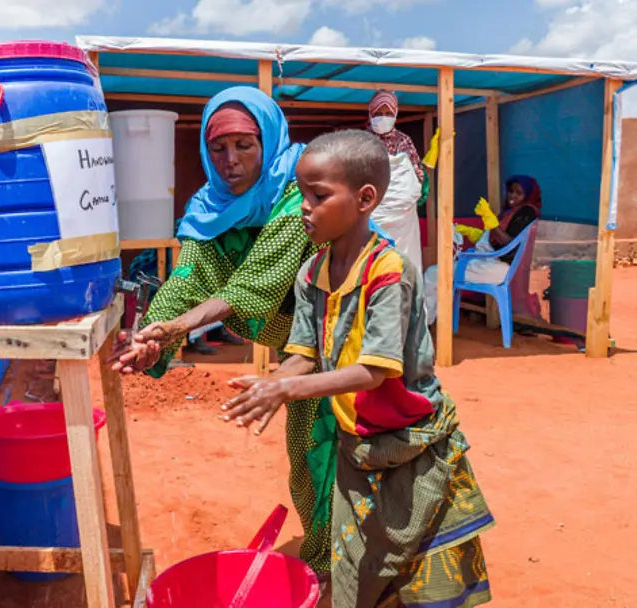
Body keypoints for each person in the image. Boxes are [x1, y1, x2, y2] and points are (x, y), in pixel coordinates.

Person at [221, 130, 494, 608]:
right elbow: (304, 353)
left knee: (428, 580)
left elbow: (375, 371)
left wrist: (284, 392)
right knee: (356, 572)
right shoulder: (312, 275)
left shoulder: (390, 271)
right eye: (301, 194)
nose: (304, 207)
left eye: (318, 195)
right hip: (359, 447)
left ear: (365, 198)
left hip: (415, 446)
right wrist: (272, 383)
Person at [109, 86, 335, 572]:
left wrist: (176, 328)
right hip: (301, 354)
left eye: (244, 146)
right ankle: (329, 564)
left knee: (361, 458)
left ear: (267, 140)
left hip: (351, 345)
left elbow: (256, 285)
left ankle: (368, 571)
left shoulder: (298, 195)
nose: (230, 161)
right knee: (311, 462)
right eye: (218, 148)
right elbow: (187, 278)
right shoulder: (210, 206)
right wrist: (150, 334)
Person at [423, 174, 543, 324]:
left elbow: (509, 244)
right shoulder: (514, 212)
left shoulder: (526, 213)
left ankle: (425, 323)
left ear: (528, 195)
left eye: (519, 193)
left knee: (432, 273)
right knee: (438, 274)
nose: (512, 196)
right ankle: (431, 320)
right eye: (511, 191)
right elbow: (496, 240)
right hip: (493, 265)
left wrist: (492, 223)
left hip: (496, 268)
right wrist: (473, 232)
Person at [367, 90, 426, 274]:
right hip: (372, 214)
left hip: (404, 220)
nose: (383, 118)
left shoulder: (404, 142)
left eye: (387, 114)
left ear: (395, 114)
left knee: (403, 264)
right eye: (378, 114)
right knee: (373, 263)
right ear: (370, 113)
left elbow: (417, 178)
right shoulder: (362, 141)